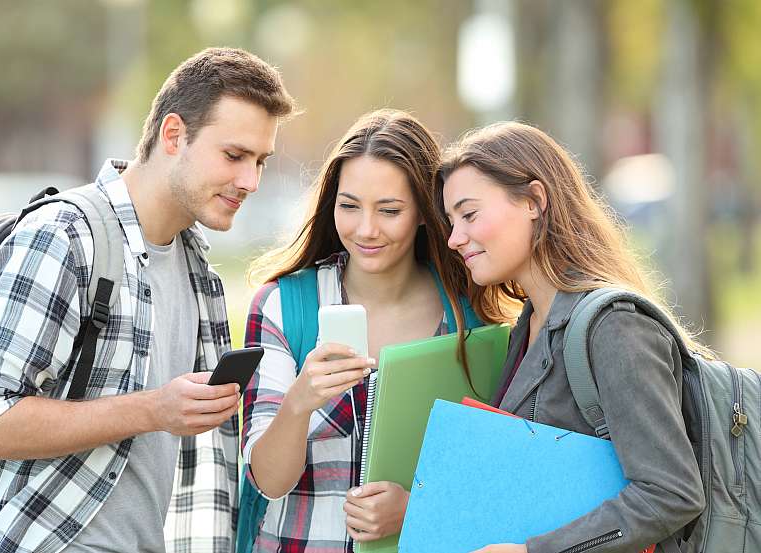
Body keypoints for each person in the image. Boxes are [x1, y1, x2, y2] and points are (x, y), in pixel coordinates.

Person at [0, 47, 296, 553]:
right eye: (234, 155)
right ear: (174, 135)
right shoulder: (66, 235)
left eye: (261, 161)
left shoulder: (199, 270)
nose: (251, 181)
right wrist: (155, 409)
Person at [436, 121, 706, 553]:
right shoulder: (526, 326)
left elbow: (671, 492)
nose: (454, 238)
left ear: (534, 201)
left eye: (469, 215)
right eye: (451, 221)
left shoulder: (614, 326)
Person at [241, 109, 486, 552]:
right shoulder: (283, 307)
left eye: (389, 210)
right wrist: (299, 403)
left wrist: (416, 507)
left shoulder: (470, 320)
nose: (366, 229)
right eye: (349, 206)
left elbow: (491, 479)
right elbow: (268, 482)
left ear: (425, 214)